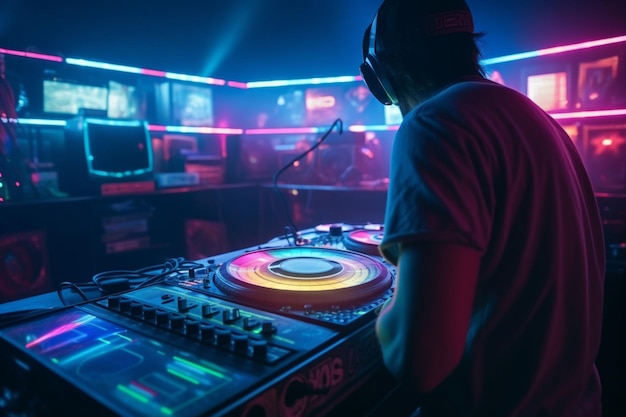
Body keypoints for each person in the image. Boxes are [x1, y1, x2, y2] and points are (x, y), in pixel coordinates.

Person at [359, 0, 606, 416]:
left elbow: (418, 360)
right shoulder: (539, 120)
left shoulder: (433, 124)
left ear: (377, 78)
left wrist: (381, 304)